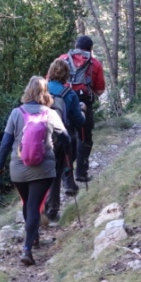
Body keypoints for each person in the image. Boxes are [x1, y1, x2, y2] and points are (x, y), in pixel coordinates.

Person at [0, 76, 71, 266]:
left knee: (28, 202)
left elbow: (5, 144)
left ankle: (33, 236)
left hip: (18, 168)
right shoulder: (50, 113)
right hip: (44, 168)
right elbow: (66, 138)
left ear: (27, 91)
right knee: (34, 205)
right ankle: (27, 248)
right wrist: (66, 153)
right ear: (45, 93)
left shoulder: (16, 113)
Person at [57, 35, 105, 183]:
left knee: (66, 139)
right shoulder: (94, 63)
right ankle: (81, 173)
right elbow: (99, 89)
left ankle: (66, 177)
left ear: (76, 46)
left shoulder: (62, 59)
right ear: (90, 49)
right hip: (84, 103)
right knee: (84, 138)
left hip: (63, 103)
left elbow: (49, 80)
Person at [44, 58, 86, 221]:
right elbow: (79, 122)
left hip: (38, 138)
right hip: (61, 139)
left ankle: (36, 208)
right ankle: (52, 209)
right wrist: (82, 110)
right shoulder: (69, 94)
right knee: (55, 173)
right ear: (66, 75)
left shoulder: (39, 90)